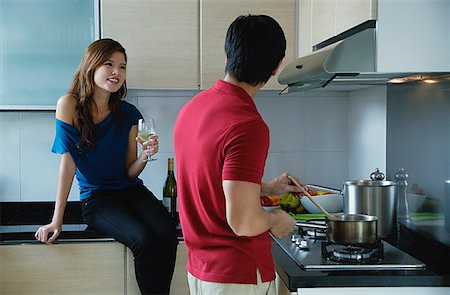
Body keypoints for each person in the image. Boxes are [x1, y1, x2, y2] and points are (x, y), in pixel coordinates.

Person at [173, 15, 308, 294]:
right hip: (237, 276)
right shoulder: (248, 125)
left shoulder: (191, 109)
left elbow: (209, 182)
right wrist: (275, 220)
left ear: (227, 55)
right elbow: (244, 221)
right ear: (276, 67)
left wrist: (267, 187)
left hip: (201, 271)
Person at [35, 38, 178, 295]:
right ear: (91, 65)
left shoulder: (130, 113)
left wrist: (145, 155)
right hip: (98, 199)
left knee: (168, 232)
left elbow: (129, 172)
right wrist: (56, 221)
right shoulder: (68, 105)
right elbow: (67, 166)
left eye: (122, 67)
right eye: (109, 64)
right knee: (143, 240)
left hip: (131, 191)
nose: (117, 72)